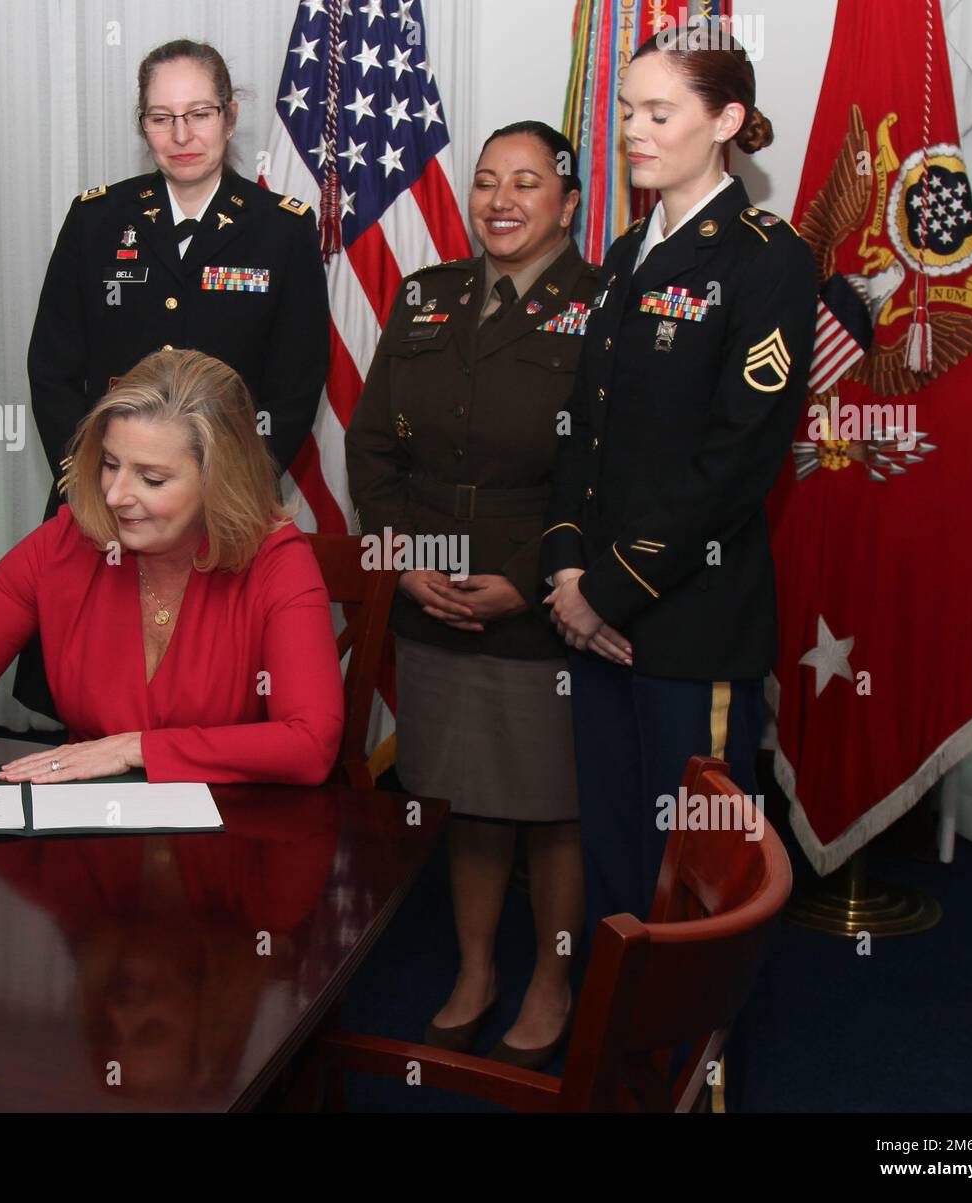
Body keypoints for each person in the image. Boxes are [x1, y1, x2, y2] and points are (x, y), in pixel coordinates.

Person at [543, 24, 819, 932]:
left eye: (659, 112)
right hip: (596, 617)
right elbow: (581, 431)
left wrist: (610, 594)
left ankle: (697, 1077)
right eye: (627, 110)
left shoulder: (766, 258)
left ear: (727, 119)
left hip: (689, 625)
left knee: (699, 883)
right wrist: (568, 573)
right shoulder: (626, 254)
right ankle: (614, 1066)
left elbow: (736, 461)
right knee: (618, 861)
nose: (633, 129)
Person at [347, 122, 598, 1070]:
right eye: (487, 180)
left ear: (567, 204)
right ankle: (477, 967)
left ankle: (552, 980)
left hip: (544, 604)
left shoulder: (604, 304)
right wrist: (399, 555)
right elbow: (373, 447)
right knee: (470, 800)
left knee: (552, 806)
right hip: (432, 594)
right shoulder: (426, 297)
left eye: (527, 182)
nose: (501, 198)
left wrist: (531, 584)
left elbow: (616, 475)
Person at [0, 350, 343, 798]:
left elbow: (309, 742)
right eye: (109, 464)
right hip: (91, 840)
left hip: (234, 846)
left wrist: (137, 749)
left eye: (151, 478)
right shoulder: (66, 544)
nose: (115, 495)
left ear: (219, 481)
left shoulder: (277, 562)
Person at [18, 38, 330, 720]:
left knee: (210, 711)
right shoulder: (98, 219)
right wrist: (97, 486)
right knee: (89, 705)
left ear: (230, 114)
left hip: (225, 521)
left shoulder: (281, 231)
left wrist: (233, 495)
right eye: (161, 117)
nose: (182, 135)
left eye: (200, 113)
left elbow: (296, 386)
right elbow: (54, 369)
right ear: (142, 124)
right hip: (107, 505)